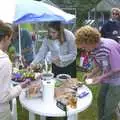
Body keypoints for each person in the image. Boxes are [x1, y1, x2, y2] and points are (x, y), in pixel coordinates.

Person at [75, 25, 120, 120]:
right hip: (106, 78)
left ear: (90, 41)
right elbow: (99, 66)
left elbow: (117, 69)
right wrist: (90, 74)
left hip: (117, 81)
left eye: (84, 46)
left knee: (109, 106)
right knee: (101, 101)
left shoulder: (108, 47)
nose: (84, 49)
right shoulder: (94, 50)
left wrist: (100, 78)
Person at [0, 20, 30, 120]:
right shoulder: (4, 61)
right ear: (5, 38)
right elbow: (3, 97)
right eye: (10, 40)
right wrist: (21, 86)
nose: (10, 43)